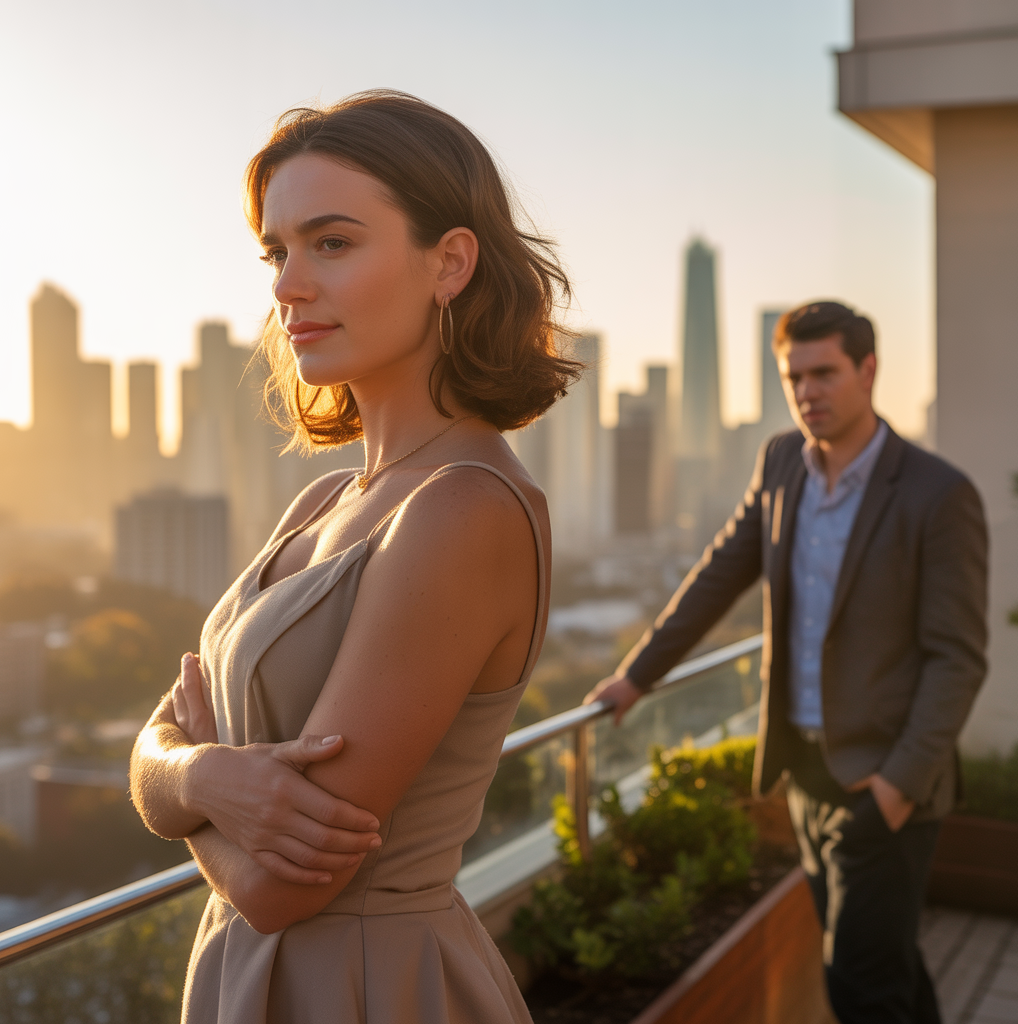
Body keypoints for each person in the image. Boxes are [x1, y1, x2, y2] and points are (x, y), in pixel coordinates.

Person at [129, 90, 580, 1024]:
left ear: (450, 263)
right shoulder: (326, 498)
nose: (287, 286)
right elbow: (159, 745)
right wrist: (200, 777)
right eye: (277, 252)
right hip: (255, 977)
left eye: (331, 243)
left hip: (370, 988)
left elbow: (278, 889)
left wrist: (185, 779)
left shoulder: (464, 509)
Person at [585, 301, 987, 1024]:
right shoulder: (781, 463)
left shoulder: (937, 494)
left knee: (859, 984)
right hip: (804, 769)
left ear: (868, 370)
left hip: (885, 779)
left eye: (824, 373)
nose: (807, 392)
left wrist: (896, 789)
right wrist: (637, 675)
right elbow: (718, 575)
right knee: (881, 962)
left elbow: (956, 659)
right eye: (793, 377)